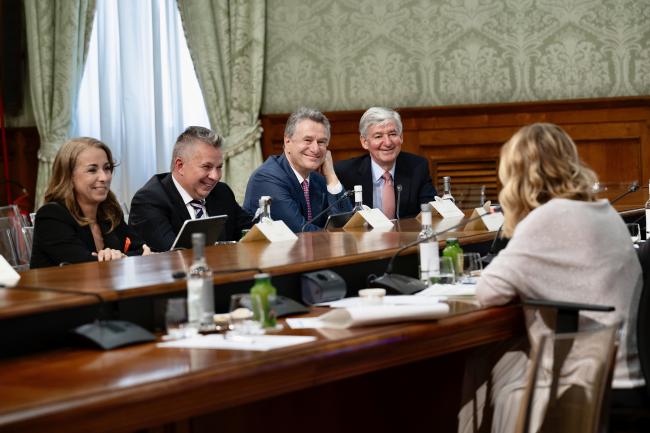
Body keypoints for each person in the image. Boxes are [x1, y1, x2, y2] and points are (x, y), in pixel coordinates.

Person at [458, 123, 644, 432]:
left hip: (593, 382)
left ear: (518, 175)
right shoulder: (602, 210)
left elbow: (488, 292)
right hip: (626, 372)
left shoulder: (546, 219)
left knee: (485, 366)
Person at [30, 138, 150, 268]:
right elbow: (83, 267)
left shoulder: (110, 211)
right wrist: (122, 258)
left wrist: (122, 257)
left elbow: (143, 249)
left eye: (107, 168)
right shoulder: (51, 216)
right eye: (92, 170)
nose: (104, 177)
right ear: (69, 175)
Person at [129, 126, 252, 251]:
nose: (215, 176)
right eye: (206, 167)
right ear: (180, 165)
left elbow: (251, 232)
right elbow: (171, 255)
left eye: (219, 167)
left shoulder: (221, 192)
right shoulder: (149, 201)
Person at [243, 107, 352, 232]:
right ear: (288, 141)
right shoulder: (267, 178)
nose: (315, 149)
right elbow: (300, 231)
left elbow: (347, 223)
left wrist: (331, 177)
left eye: (321, 142)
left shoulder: (318, 179)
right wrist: (342, 236)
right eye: (307, 140)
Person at [334, 107, 437, 219]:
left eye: (393, 134)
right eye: (378, 136)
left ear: (401, 137)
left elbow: (429, 210)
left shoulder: (417, 167)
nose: (388, 143)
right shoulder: (345, 172)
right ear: (364, 142)